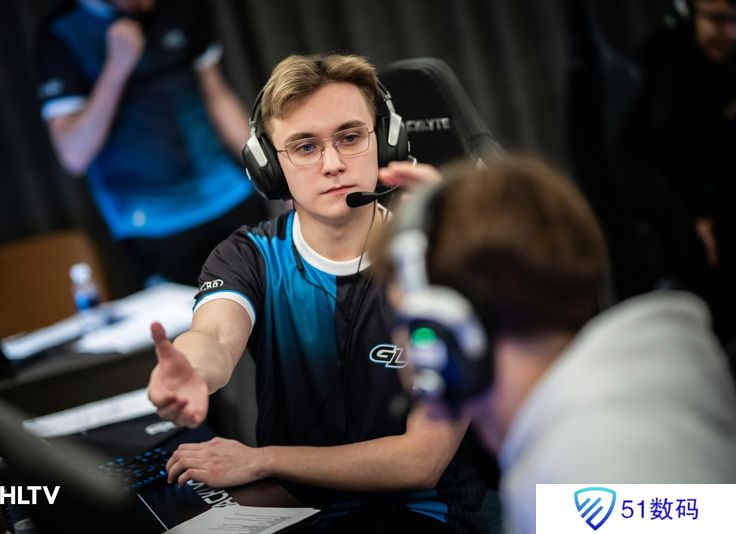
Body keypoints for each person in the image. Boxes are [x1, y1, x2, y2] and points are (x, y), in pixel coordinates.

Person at [147, 54, 489, 532]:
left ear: (386, 139)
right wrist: (193, 370)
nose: (333, 164)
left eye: (350, 138)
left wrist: (264, 460)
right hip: (292, 509)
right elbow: (216, 338)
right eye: (305, 147)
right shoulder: (249, 256)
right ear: (268, 165)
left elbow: (420, 460)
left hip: (423, 513)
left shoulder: (436, 262)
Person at [377, 154, 736, 534]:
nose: (408, 348)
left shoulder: (585, 465)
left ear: (448, 326)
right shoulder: (617, 413)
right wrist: (460, 225)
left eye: (412, 324)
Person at [37, 0, 263, 287]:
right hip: (151, 223)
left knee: (274, 304)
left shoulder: (180, 8)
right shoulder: (62, 34)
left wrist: (269, 169)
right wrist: (116, 68)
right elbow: (74, 156)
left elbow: (218, 97)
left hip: (228, 194)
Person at [636, 0, 736, 342]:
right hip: (687, 220)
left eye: (734, 22)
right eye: (718, 20)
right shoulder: (668, 67)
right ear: (687, 14)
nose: (728, 33)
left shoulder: (721, 64)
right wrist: (699, 212)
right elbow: (665, 147)